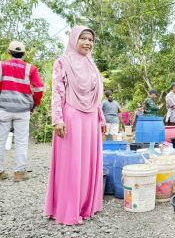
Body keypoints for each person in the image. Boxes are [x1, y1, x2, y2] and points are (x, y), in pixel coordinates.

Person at [44, 26, 106, 225]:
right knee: (72, 164)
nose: (88, 42)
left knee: (88, 162)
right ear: (73, 39)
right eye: (83, 38)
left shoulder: (91, 64)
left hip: (91, 119)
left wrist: (101, 117)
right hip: (71, 116)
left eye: (91, 39)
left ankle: (86, 206)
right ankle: (68, 209)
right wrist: (58, 119)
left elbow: (95, 95)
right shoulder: (62, 61)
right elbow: (57, 91)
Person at [0, 40, 44, 182]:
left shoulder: (1, 65)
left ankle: (0, 172)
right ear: (23, 54)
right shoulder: (30, 68)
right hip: (23, 110)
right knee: (21, 141)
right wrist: (35, 103)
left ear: (9, 52)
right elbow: (39, 88)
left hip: (3, 109)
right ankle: (19, 173)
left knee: (0, 140)